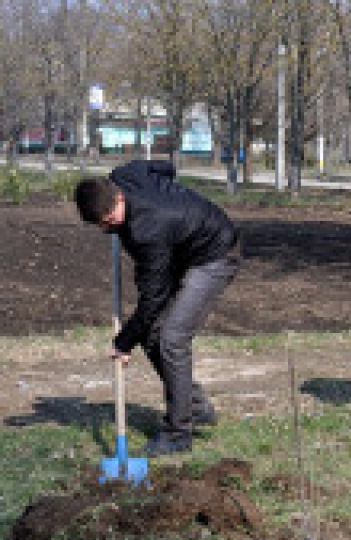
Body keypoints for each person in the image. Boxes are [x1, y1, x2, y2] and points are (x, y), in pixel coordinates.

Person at [74, 160, 240, 455]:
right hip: (181, 246)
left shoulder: (148, 230)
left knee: (172, 337)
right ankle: (194, 406)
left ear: (119, 198)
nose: (106, 227)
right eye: (100, 224)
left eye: (109, 218)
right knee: (152, 335)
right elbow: (165, 168)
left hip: (215, 253)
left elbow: (153, 299)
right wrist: (169, 195)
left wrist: (123, 342)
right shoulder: (125, 176)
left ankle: (178, 434)